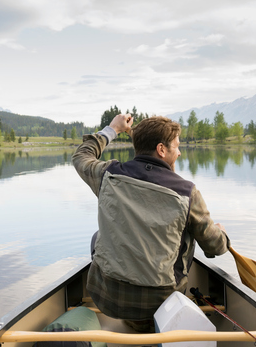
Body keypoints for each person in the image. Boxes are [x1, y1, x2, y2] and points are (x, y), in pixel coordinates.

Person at [72, 113, 230, 328]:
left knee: (97, 238)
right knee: (188, 235)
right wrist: (221, 233)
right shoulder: (187, 192)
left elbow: (81, 155)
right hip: (162, 304)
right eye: (177, 146)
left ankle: (130, 317)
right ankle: (151, 321)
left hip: (107, 300)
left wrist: (113, 129)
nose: (180, 152)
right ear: (161, 150)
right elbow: (216, 247)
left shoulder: (107, 175)